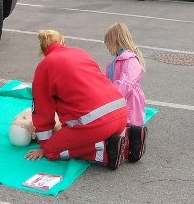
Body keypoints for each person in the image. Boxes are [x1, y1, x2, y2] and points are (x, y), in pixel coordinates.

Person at [24, 30, 129, 170]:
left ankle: (105, 150)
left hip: (96, 125)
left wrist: (44, 146)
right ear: (63, 42)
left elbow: (42, 111)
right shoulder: (80, 52)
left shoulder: (45, 66)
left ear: (43, 51)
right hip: (121, 113)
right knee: (94, 131)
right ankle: (129, 139)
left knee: (52, 151)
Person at [103, 23, 147, 162]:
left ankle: (136, 149)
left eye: (108, 43)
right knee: (123, 125)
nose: (107, 47)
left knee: (131, 124)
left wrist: (111, 95)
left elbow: (127, 83)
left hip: (128, 99)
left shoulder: (130, 59)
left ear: (115, 40)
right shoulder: (118, 60)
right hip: (120, 98)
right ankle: (124, 149)